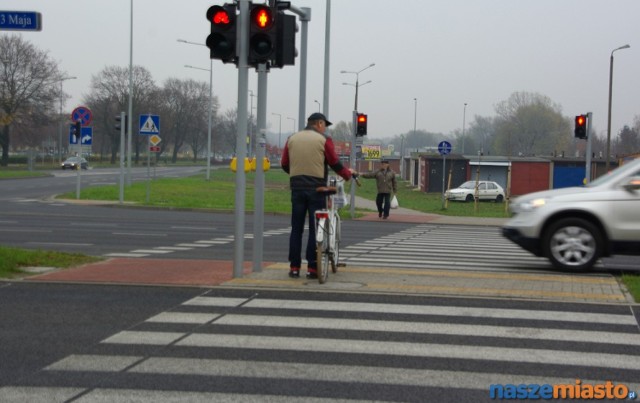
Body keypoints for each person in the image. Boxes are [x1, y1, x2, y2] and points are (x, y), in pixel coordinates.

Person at [281, 113, 355, 279]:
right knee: (316, 228)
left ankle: (294, 267)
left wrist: (295, 175)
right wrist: (347, 174)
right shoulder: (324, 140)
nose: (325, 128)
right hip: (317, 189)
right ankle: (313, 268)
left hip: (297, 189)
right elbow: (334, 162)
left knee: (296, 229)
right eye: (324, 125)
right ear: (319, 123)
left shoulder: (291, 139)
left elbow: (285, 163)